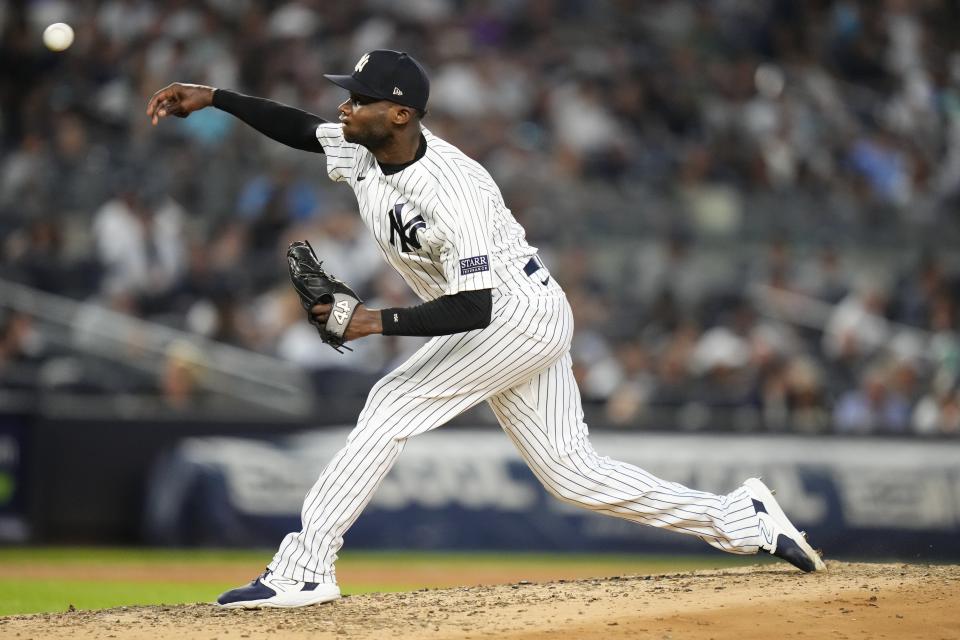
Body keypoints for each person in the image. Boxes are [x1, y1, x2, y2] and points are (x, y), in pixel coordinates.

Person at [147, 50, 825, 609]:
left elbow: (476, 309)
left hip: (513, 314)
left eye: (358, 99)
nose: (344, 107)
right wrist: (215, 97)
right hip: (516, 313)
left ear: (401, 115)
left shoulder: (455, 187)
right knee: (574, 476)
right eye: (346, 96)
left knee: (389, 405)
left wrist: (372, 322)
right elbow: (299, 128)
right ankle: (744, 520)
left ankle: (305, 567)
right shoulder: (362, 149)